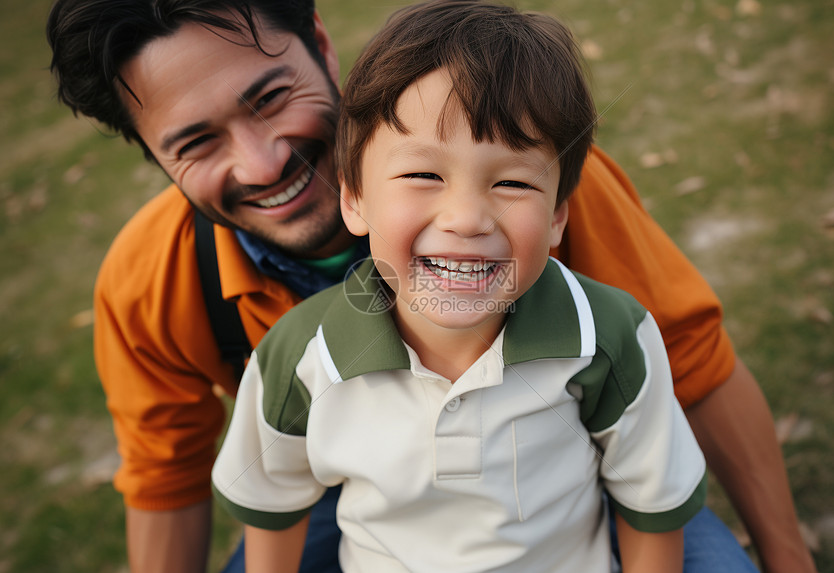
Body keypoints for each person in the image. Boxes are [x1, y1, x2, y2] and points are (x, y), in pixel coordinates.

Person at [44, 0, 816, 572]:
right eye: (197, 141)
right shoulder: (153, 282)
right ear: (151, 151)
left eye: (269, 97)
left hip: (567, 483)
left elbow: (694, 363)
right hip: (341, 499)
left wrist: (788, 556)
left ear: (318, 42)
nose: (262, 162)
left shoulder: (530, 191)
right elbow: (166, 476)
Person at [212, 2, 707, 571]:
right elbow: (271, 510)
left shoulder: (611, 338)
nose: (467, 218)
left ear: (556, 218)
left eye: (514, 181)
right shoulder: (297, 357)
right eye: (424, 174)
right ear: (354, 198)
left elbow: (653, 509)